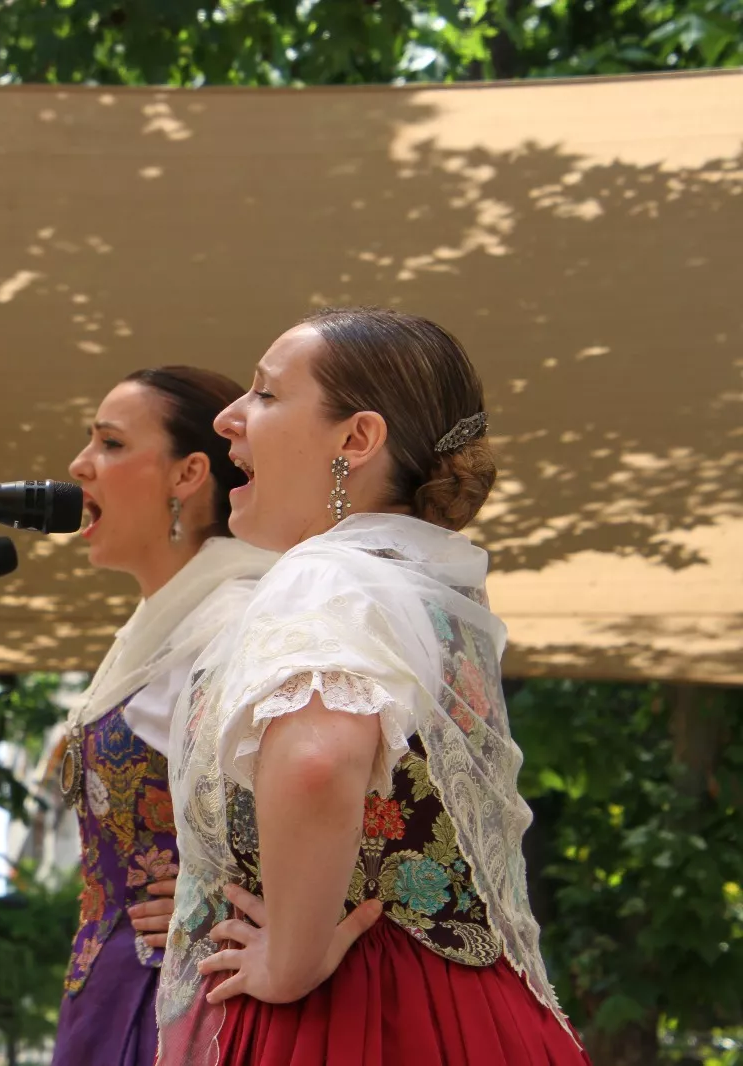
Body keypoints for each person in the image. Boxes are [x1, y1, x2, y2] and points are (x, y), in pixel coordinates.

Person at [155, 308, 590, 1065]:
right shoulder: (416, 587)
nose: (228, 419)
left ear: (355, 439)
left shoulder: (330, 577)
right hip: (469, 1010)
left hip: (356, 1016)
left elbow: (319, 757)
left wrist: (289, 960)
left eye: (263, 394)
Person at [50, 366, 277, 1066]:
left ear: (188, 475)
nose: (79, 465)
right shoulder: (158, 628)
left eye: (111, 444)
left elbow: (341, 792)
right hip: (117, 986)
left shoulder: (237, 623)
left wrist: (237, 891)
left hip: (183, 1004)